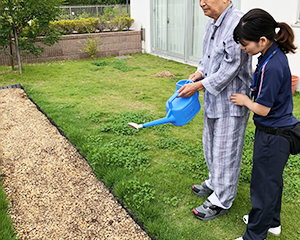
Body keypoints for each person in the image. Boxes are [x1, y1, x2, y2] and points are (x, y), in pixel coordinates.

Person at [177, 0, 252, 220]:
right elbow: (208, 58)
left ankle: (222, 199)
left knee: (225, 150)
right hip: (213, 98)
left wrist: (197, 86)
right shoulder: (213, 22)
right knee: (210, 144)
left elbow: (231, 67)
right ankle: (214, 182)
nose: (201, 3)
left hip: (232, 100)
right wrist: (199, 73)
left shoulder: (238, 23)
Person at [230, 8, 299, 240]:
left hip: (273, 135)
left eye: (245, 43)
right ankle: (272, 222)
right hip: (277, 132)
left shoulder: (272, 66)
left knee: (262, 187)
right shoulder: (271, 54)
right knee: (271, 182)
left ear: (261, 40)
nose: (243, 48)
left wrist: (245, 101)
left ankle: (254, 235)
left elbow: (263, 109)